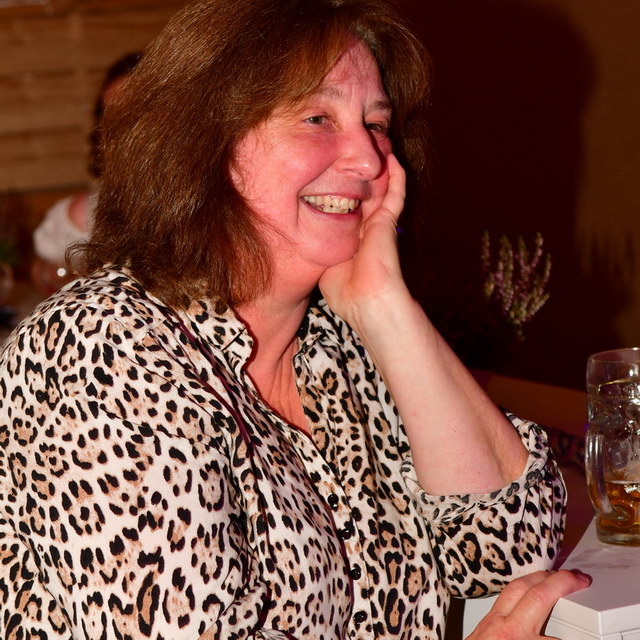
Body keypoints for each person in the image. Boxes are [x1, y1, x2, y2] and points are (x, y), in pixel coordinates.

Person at [0, 0, 589, 638]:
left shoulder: (336, 343)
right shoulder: (99, 350)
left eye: (376, 124)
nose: (369, 160)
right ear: (206, 146)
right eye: (317, 118)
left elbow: (507, 550)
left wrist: (387, 307)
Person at [30, 52, 141, 296]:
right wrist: (54, 275)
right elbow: (43, 275)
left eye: (133, 113)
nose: (116, 129)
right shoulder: (81, 214)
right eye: (108, 114)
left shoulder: (203, 207)